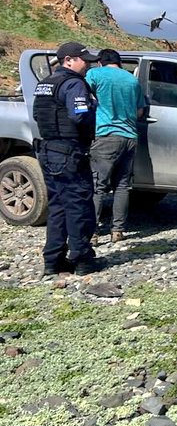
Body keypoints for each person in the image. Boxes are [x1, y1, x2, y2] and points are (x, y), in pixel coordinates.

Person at [31, 41, 102, 276]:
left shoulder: (46, 83)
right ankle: (82, 260)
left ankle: (53, 261)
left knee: (58, 207)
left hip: (48, 150)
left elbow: (37, 114)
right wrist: (93, 109)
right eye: (84, 61)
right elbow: (79, 116)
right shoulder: (74, 84)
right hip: (70, 152)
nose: (87, 65)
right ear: (69, 60)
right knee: (79, 206)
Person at [87, 49, 146, 244]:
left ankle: (92, 233)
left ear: (100, 62)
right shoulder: (132, 80)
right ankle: (117, 230)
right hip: (129, 136)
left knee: (97, 186)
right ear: (119, 63)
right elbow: (139, 111)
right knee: (122, 185)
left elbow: (81, 95)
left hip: (105, 135)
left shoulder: (95, 74)